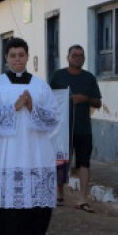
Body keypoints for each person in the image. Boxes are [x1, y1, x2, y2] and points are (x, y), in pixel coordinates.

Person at [0, 37, 60, 235]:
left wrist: (33, 107)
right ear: (6, 58)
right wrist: (13, 107)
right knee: (10, 202)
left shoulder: (40, 85)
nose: (17, 59)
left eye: (21, 55)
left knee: (37, 202)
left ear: (27, 56)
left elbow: (54, 117)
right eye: (13, 55)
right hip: (7, 153)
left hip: (35, 151)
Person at [49, 44, 103, 212]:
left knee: (84, 162)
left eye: (81, 55)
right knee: (61, 161)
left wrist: (84, 99)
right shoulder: (58, 76)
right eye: (74, 55)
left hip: (83, 128)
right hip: (62, 128)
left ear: (84, 58)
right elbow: (49, 100)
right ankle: (59, 193)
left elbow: (98, 102)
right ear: (68, 57)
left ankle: (82, 198)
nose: (78, 58)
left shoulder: (89, 78)